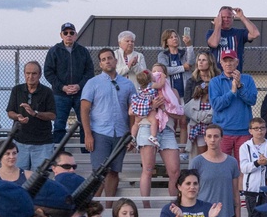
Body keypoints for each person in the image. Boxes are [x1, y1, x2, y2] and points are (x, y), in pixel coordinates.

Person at [80, 47, 135, 196]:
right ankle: (96, 208)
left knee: (114, 172)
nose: (107, 61)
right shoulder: (92, 83)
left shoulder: (128, 84)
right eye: (103, 59)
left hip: (121, 133)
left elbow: (133, 112)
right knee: (99, 172)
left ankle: (110, 208)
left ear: (115, 60)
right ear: (100, 64)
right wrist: (87, 134)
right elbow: (84, 109)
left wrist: (131, 134)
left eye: (109, 58)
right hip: (100, 133)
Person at [133, 65, 183, 200]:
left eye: (159, 71)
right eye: (153, 71)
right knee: (148, 169)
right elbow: (133, 113)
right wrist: (152, 106)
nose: (156, 73)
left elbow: (179, 115)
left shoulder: (173, 91)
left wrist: (164, 108)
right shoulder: (143, 89)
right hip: (147, 128)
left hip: (167, 130)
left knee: (174, 171)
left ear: (165, 75)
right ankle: (146, 205)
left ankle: (175, 203)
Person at [44, 22, 94, 144]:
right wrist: (62, 87)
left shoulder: (83, 51)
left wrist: (79, 86)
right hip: (60, 95)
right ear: (61, 35)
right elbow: (48, 72)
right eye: (65, 33)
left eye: (71, 33)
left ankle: (85, 151)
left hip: (81, 94)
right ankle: (59, 155)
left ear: (75, 35)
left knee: (85, 123)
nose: (68, 35)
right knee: (59, 125)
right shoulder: (54, 51)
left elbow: (89, 72)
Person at [7, 61, 57, 171]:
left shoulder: (47, 92)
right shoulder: (17, 90)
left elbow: (53, 115)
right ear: (24, 74)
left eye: (34, 73)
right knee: (18, 178)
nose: (30, 76)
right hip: (20, 142)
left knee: (39, 181)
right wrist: (18, 117)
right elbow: (10, 112)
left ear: (39, 75)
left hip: (43, 143)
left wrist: (35, 113)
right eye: (28, 73)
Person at [209, 50, 258, 159]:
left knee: (243, 167)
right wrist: (232, 92)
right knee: (221, 166)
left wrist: (240, 86)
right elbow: (216, 105)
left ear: (237, 62)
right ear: (220, 63)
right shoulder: (215, 82)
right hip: (222, 132)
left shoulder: (248, 79)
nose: (228, 64)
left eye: (231, 60)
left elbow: (252, 100)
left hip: (244, 131)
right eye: (225, 61)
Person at [239, 117, 267, 217]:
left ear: (266, 130)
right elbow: (244, 168)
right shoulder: (245, 147)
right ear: (250, 131)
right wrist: (257, 163)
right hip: (251, 190)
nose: (259, 131)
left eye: (262, 128)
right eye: (256, 128)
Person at [206, 6, 261, 72]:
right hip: (216, 74)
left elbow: (255, 34)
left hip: (235, 74)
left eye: (229, 17)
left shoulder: (239, 33)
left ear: (233, 18)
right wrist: (218, 25)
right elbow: (214, 44)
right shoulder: (211, 33)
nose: (226, 19)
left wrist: (242, 17)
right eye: (223, 17)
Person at [157, 28, 194, 100]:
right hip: (170, 94)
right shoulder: (163, 55)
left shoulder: (183, 53)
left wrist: (189, 46)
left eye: (176, 36)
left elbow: (191, 62)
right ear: (166, 42)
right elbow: (165, 70)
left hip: (186, 92)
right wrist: (182, 68)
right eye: (171, 37)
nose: (175, 38)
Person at [184, 74, 214, 156]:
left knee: (211, 149)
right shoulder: (195, 102)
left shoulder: (213, 103)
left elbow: (213, 114)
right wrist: (201, 117)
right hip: (199, 130)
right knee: (202, 152)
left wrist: (202, 116)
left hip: (210, 128)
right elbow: (186, 109)